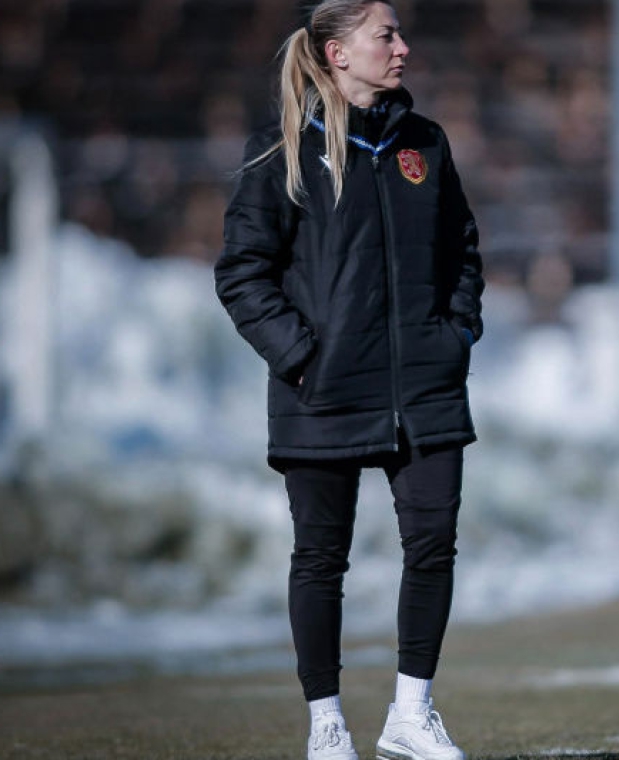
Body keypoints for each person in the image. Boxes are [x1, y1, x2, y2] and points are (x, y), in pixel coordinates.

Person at [214, 2, 483, 758]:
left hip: (425, 387)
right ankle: (326, 726)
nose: (402, 48)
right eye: (385, 35)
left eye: (398, 34)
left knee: (433, 546)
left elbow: (462, 250)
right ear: (337, 52)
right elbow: (241, 273)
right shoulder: (280, 150)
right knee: (320, 558)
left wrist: (455, 333)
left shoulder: (425, 143)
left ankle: (411, 716)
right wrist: (303, 357)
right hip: (321, 391)